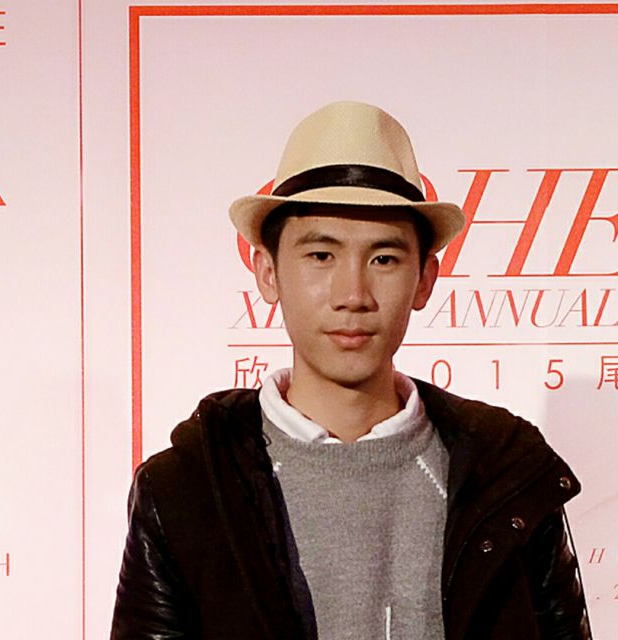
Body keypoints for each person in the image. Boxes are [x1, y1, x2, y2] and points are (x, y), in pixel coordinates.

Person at [111, 101, 591, 639]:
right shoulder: (188, 489)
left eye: (384, 259)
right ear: (267, 272)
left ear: (425, 279)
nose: (353, 294)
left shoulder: (506, 474)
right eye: (321, 256)